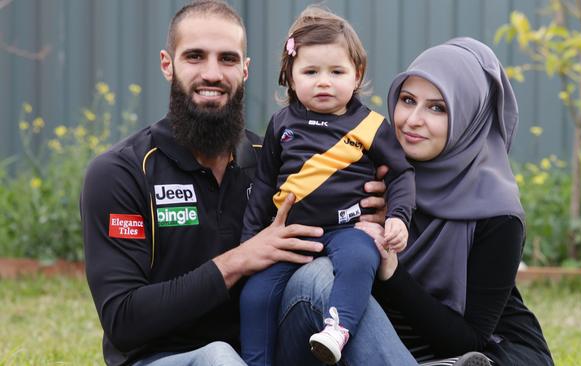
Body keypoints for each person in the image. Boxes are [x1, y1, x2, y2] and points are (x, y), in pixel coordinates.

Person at [80, 1, 400, 365]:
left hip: (264, 350)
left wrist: (363, 212)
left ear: (245, 70)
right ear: (168, 65)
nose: (213, 73)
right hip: (163, 357)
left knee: (321, 278)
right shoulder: (121, 172)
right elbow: (123, 320)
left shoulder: (275, 159)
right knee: (218, 357)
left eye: (228, 59)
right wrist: (239, 260)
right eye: (195, 57)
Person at [354, 37, 555, 365]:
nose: (412, 120)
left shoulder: (498, 212)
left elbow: (469, 338)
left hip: (482, 350)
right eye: (407, 100)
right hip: (384, 344)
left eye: (438, 107)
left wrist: (391, 269)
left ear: (469, 116)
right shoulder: (374, 172)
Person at [239, 6, 415, 365]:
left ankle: (337, 328)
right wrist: (249, 243)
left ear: (357, 75)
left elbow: (400, 174)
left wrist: (398, 216)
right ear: (289, 75)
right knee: (255, 295)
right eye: (310, 71)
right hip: (290, 237)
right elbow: (262, 187)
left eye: (337, 72)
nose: (324, 81)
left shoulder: (371, 126)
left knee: (362, 257)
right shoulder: (281, 124)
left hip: (345, 229)